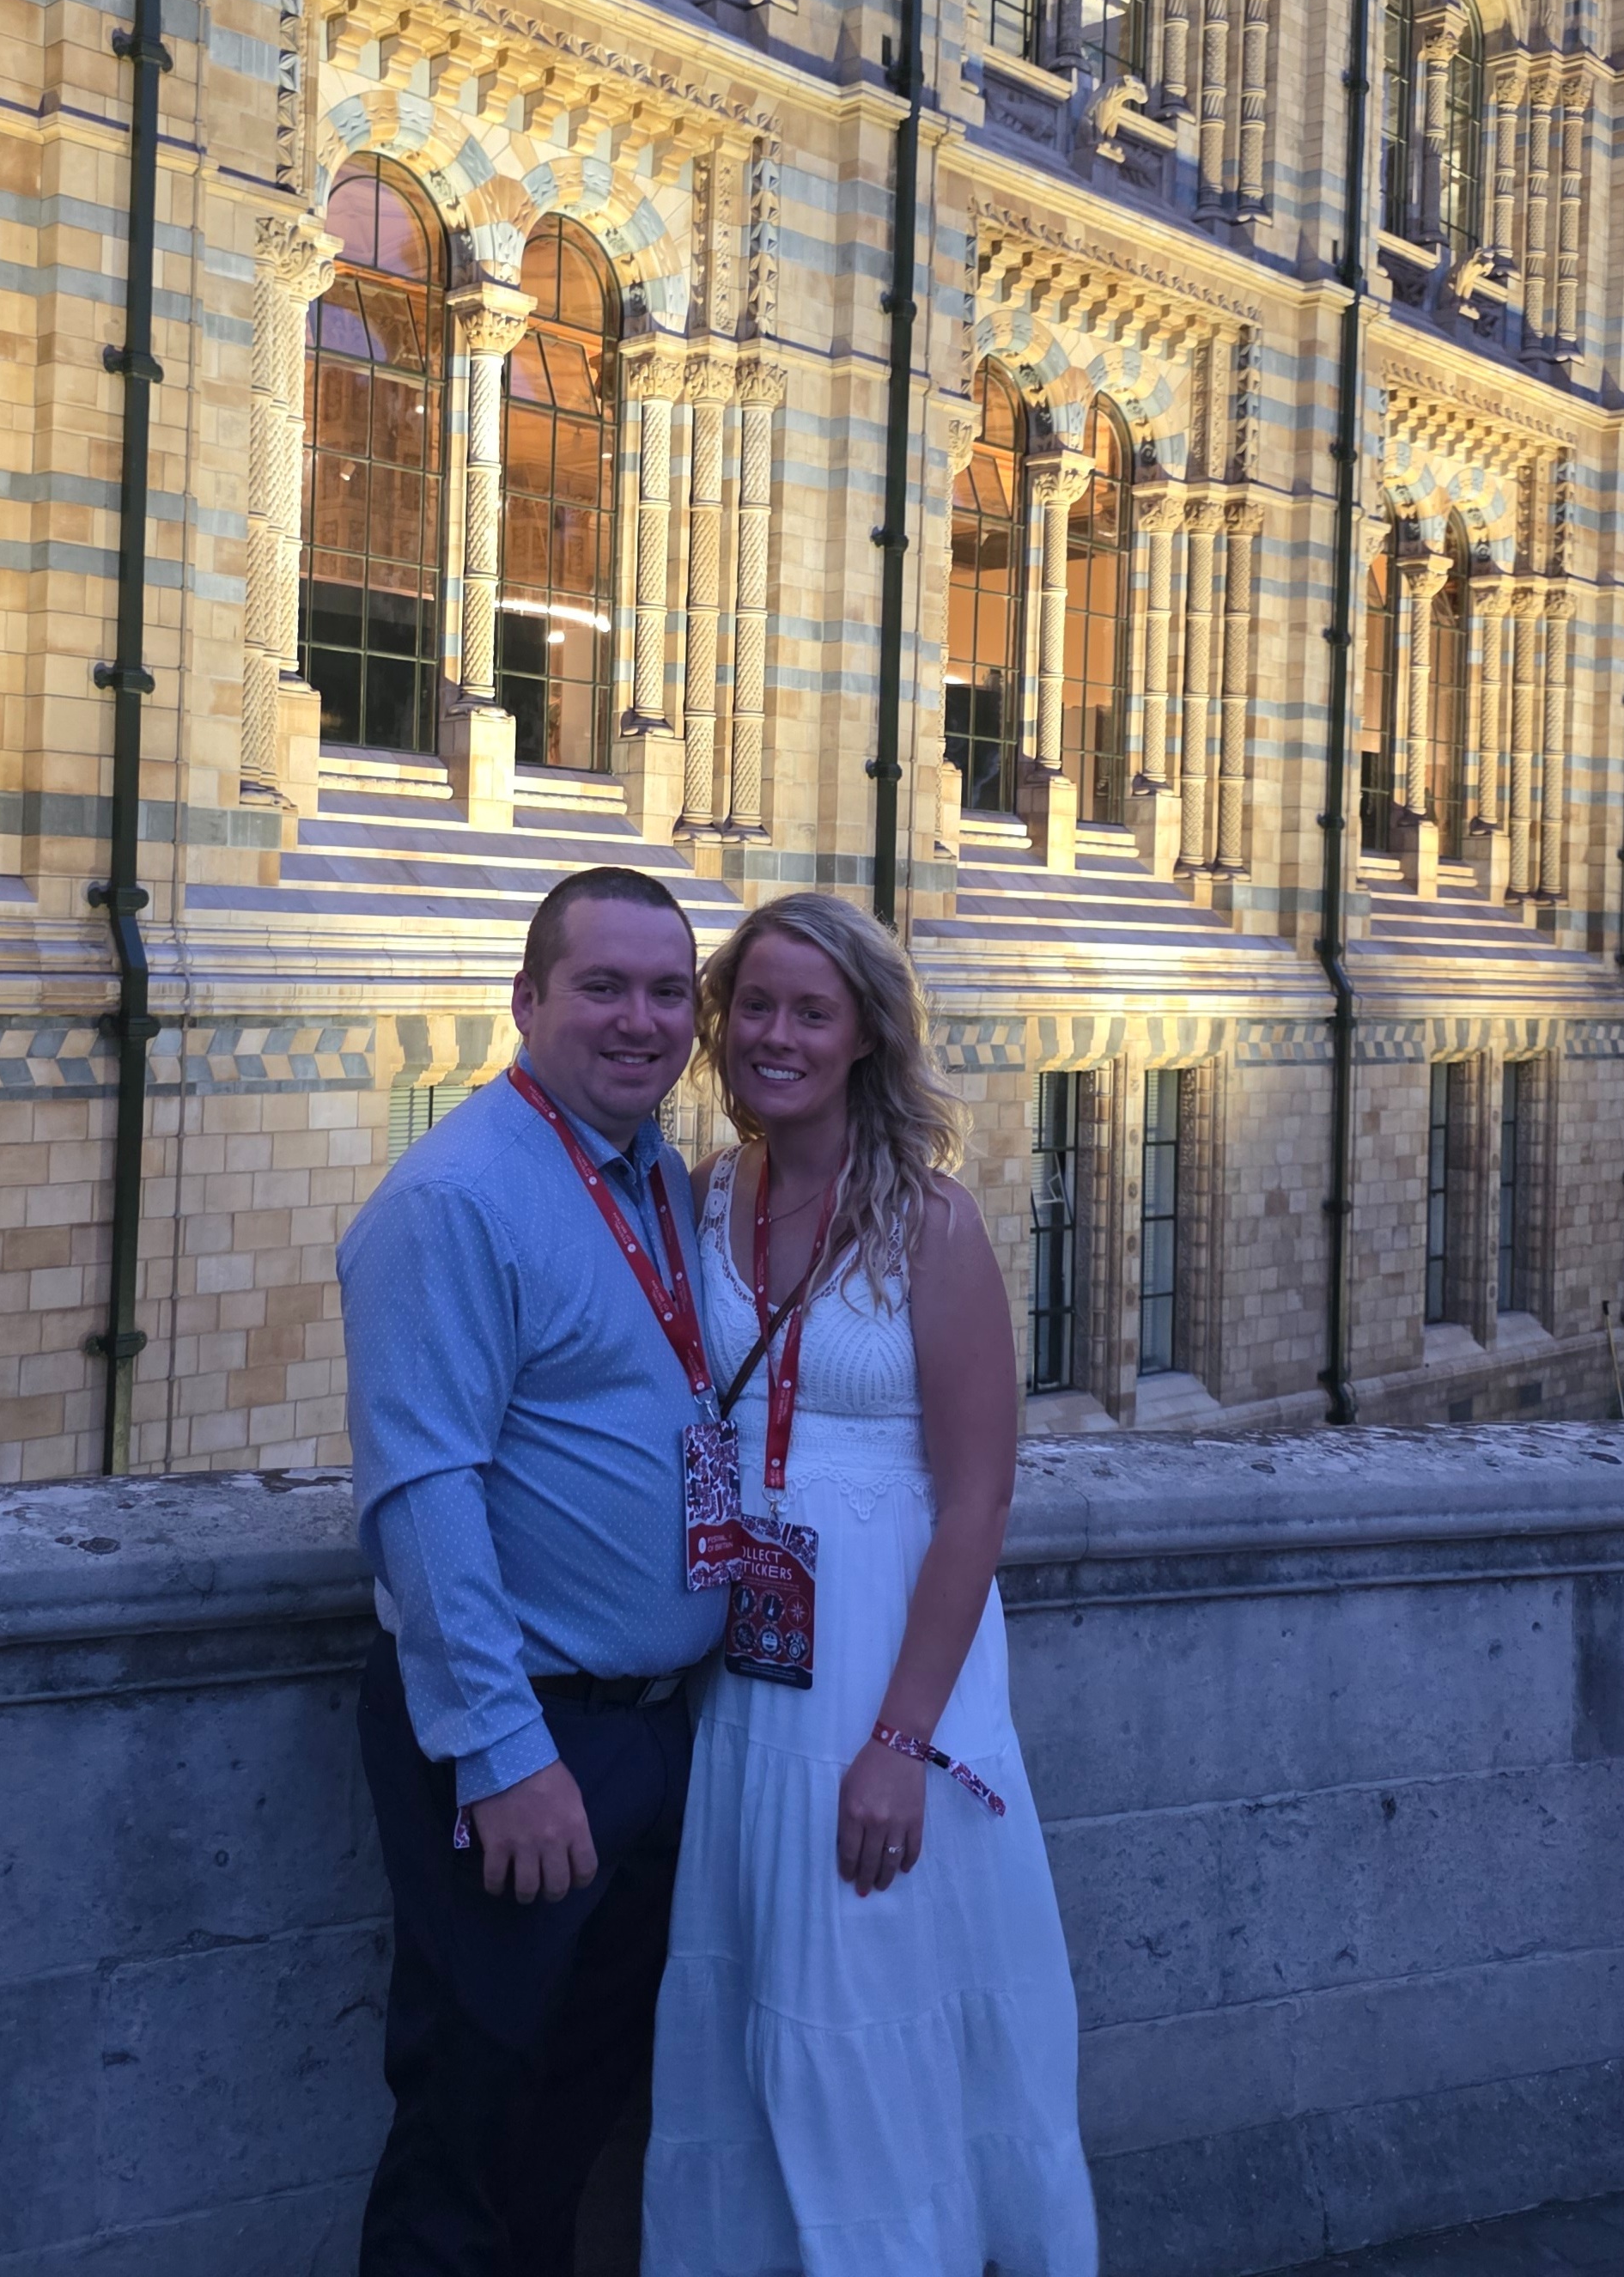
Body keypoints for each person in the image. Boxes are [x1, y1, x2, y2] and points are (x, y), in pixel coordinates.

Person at [644, 890, 1097, 2275]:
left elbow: (976, 1501)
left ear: (863, 1037)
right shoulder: (702, 1193)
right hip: (742, 1675)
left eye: (810, 1012)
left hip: (880, 1680)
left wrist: (899, 1742)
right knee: (746, 2000)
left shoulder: (930, 1225)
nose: (775, 1037)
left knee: (865, 1996)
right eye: (754, 1007)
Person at [338, 861, 723, 2275]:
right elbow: (420, 1489)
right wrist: (502, 1755)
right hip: (528, 1734)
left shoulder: (655, 1177)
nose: (640, 1021)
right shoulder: (455, 1196)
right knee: (471, 2121)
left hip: (650, 1735)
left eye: (668, 993)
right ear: (525, 999)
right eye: (602, 986)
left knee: (568, 2114)